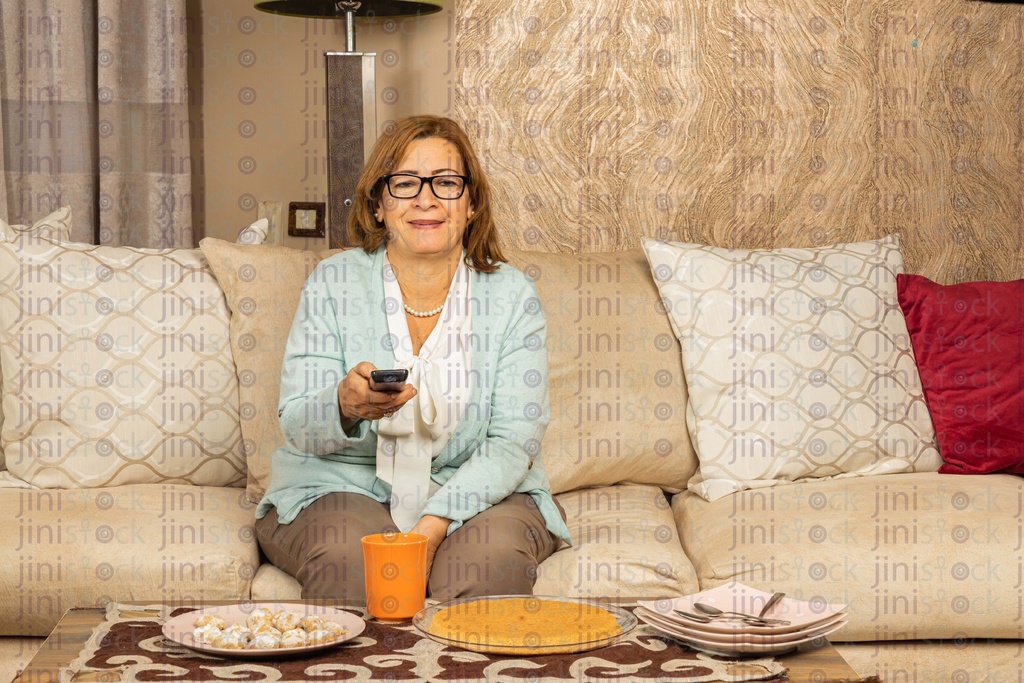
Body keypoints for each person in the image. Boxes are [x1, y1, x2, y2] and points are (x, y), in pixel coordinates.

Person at [254, 115, 572, 602]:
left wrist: (434, 524)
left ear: (471, 203)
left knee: (486, 566)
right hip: (343, 485)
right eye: (405, 184)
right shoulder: (332, 281)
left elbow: (513, 441)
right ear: (379, 204)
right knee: (354, 560)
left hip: (480, 492)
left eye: (445, 182)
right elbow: (297, 424)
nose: (426, 199)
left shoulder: (512, 293)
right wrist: (343, 404)